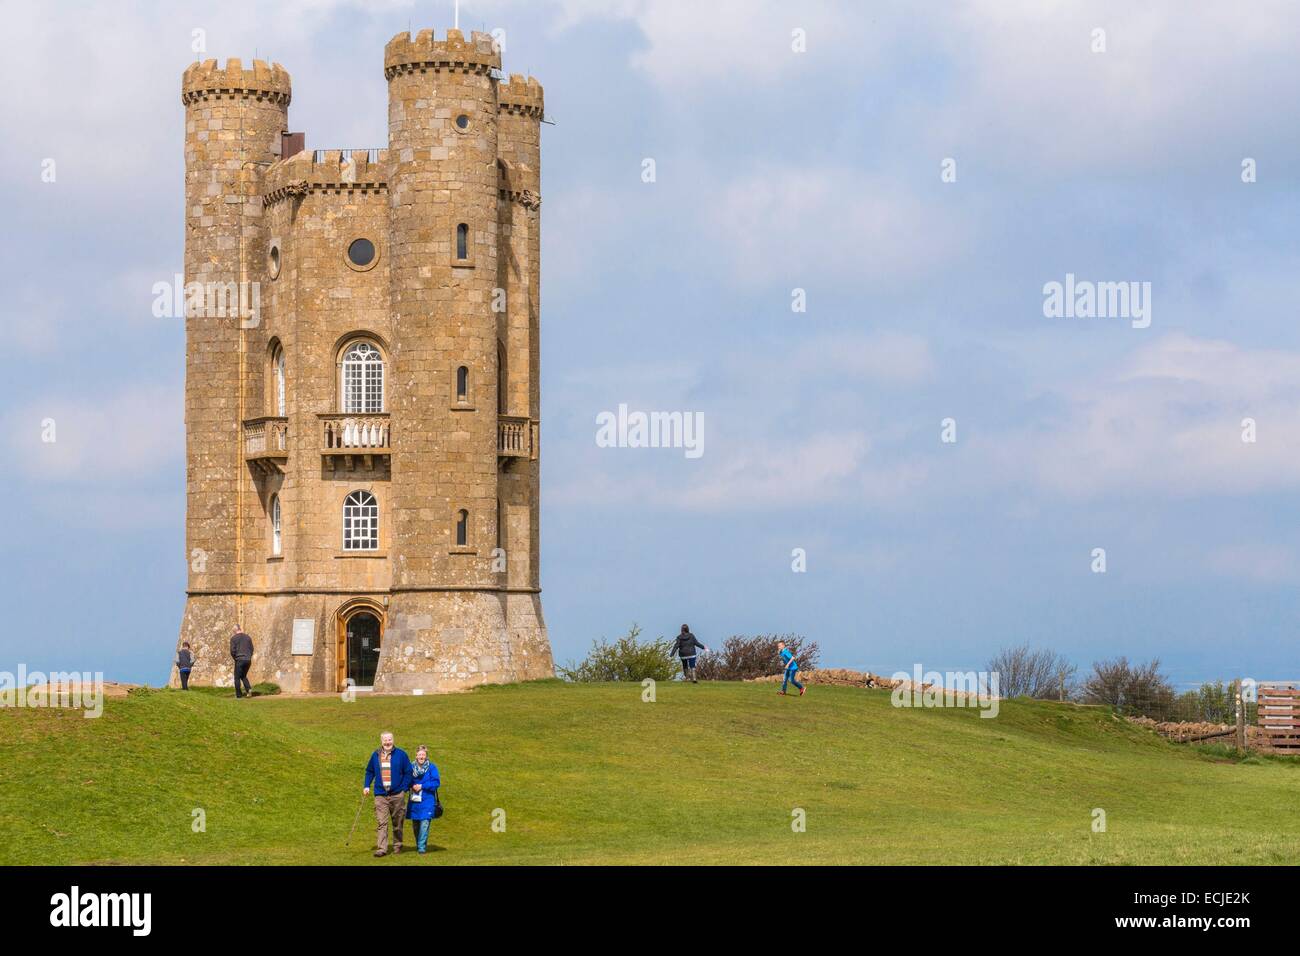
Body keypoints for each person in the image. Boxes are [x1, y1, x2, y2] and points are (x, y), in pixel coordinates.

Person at [364, 731, 412, 857]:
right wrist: (366, 786)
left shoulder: (401, 754)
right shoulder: (375, 755)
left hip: (397, 795)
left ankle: (397, 846)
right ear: (381, 741)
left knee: (398, 822)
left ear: (393, 740)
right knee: (382, 822)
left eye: (389, 739)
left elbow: (408, 772)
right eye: (385, 740)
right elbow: (369, 771)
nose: (387, 742)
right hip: (380, 795)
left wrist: (404, 789)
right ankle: (381, 849)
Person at [405, 745, 441, 855]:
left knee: (425, 823)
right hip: (414, 801)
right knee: (416, 824)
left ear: (426, 756)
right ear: (416, 756)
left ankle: (421, 848)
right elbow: (406, 779)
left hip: (427, 800)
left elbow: (436, 782)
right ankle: (419, 844)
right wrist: (412, 785)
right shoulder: (410, 767)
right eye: (419, 754)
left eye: (423, 755)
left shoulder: (432, 767)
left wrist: (422, 786)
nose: (421, 756)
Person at [229, 626, 254, 698]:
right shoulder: (248, 637)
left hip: (239, 659)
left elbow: (232, 651)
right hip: (248, 660)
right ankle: (248, 689)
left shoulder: (233, 638)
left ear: (234, 631)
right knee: (243, 676)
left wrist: (235, 658)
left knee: (237, 677)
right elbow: (252, 649)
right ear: (240, 629)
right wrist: (249, 657)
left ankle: (239, 695)